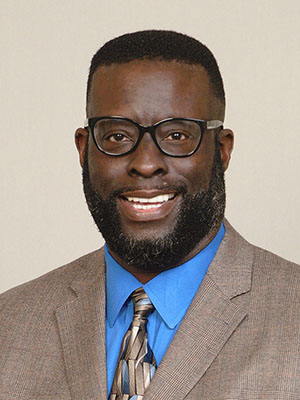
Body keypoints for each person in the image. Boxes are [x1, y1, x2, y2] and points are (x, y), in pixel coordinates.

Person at [1, 30, 300, 400]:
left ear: (221, 151)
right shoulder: (9, 324)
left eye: (176, 136)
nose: (145, 164)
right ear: (84, 150)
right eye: (117, 137)